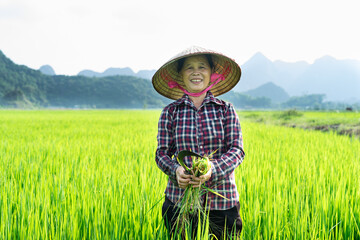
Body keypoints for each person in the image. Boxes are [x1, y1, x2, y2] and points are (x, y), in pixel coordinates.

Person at [153, 46, 245, 239]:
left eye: (202, 67)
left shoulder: (225, 110)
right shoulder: (171, 112)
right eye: (189, 67)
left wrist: (212, 169)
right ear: (181, 74)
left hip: (222, 203)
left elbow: (237, 150)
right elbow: (161, 153)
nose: (196, 72)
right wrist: (175, 170)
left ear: (211, 73)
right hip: (179, 202)